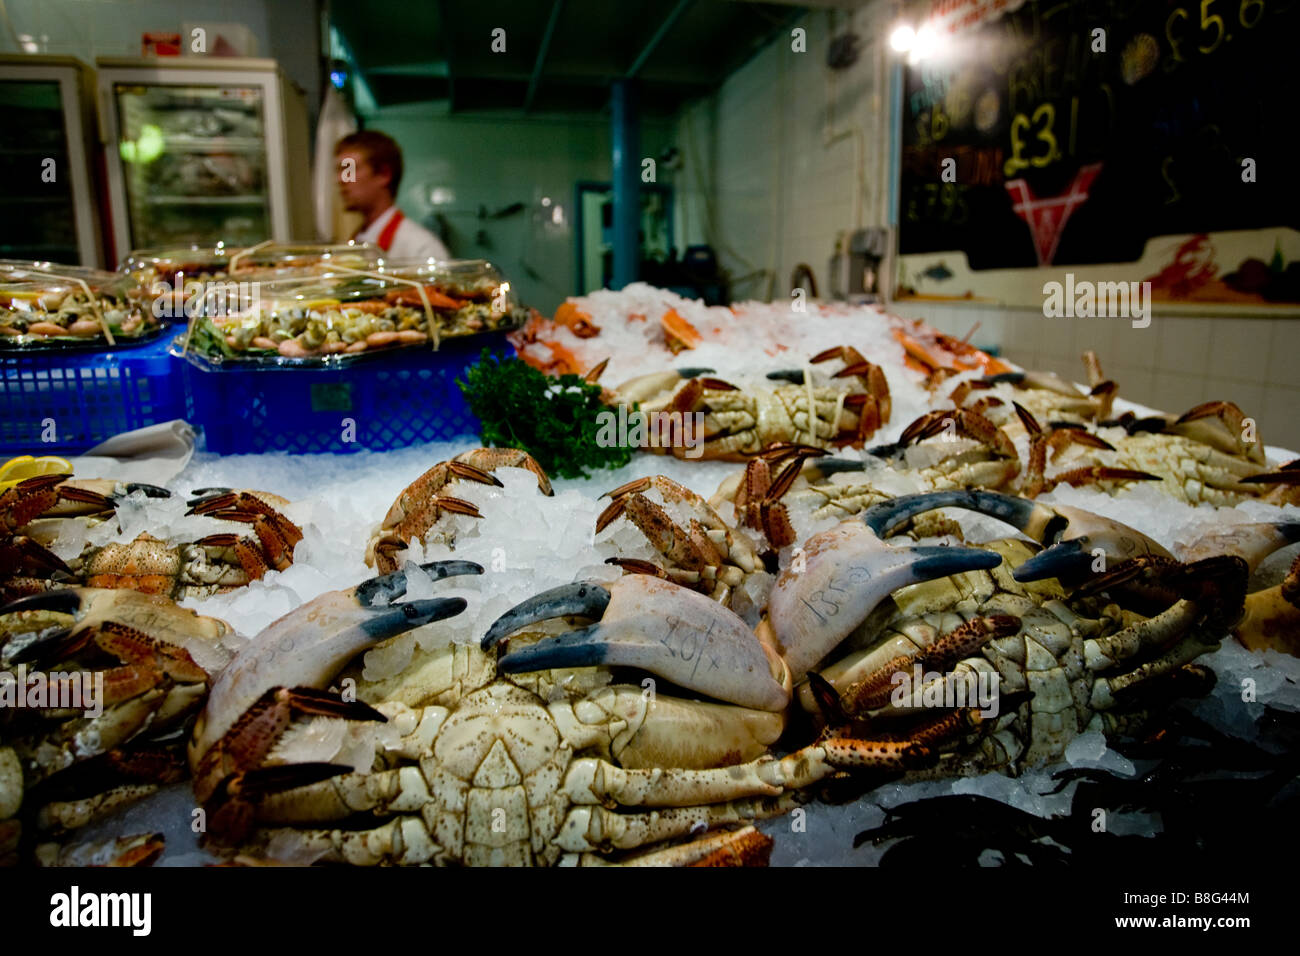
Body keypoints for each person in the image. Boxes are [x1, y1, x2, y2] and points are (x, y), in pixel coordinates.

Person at [335, 130, 450, 260]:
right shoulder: (358, 240)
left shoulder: (422, 249)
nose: (340, 179)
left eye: (349, 169)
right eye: (339, 171)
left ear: (384, 174)